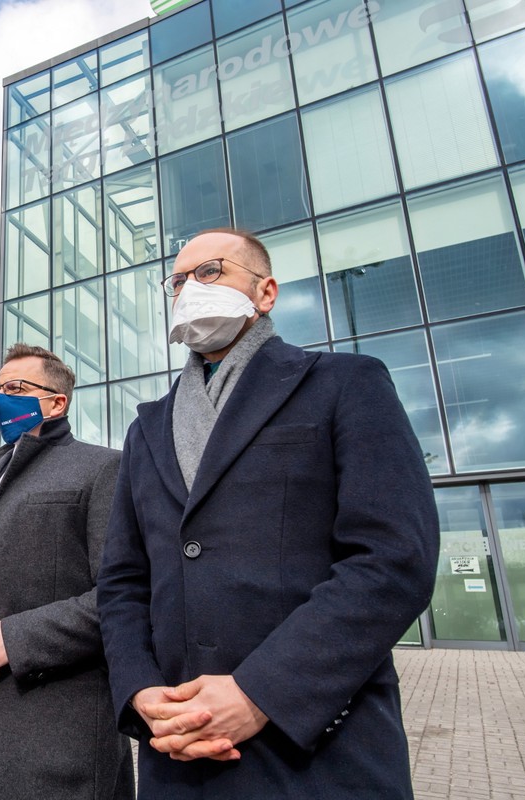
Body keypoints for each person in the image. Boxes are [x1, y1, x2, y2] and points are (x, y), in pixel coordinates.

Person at [96, 228, 439, 798]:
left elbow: (392, 559)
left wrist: (263, 692)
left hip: (316, 756)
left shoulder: (345, 384)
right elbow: (123, 580)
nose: (188, 291)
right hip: (177, 754)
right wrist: (139, 691)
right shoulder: (146, 428)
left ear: (266, 292)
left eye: (210, 273)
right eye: (177, 282)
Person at [0, 344, 134, 800]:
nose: (3, 397)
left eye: (18, 388)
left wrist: (12, 639)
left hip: (66, 729)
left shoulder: (104, 467)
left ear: (57, 401)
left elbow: (119, 596)